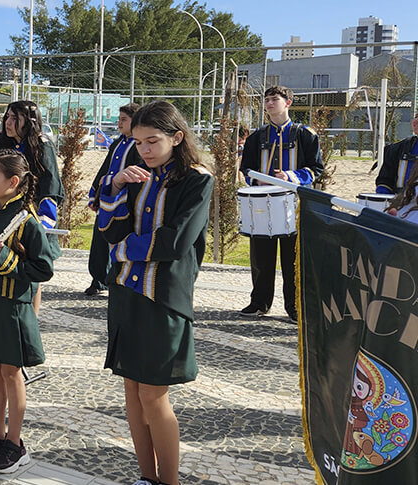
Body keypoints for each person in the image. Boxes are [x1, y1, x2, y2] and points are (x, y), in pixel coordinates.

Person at [96, 100, 213, 485]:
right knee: (131, 390)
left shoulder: (198, 179)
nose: (143, 150)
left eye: (152, 141)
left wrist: (123, 250)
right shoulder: (137, 176)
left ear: (177, 137)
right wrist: (114, 186)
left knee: (153, 396)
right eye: (138, 142)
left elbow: (175, 242)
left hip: (162, 298)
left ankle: (170, 481)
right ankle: (147, 477)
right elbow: (109, 230)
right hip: (126, 294)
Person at [0, 149, 59, 474]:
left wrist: (6, 260)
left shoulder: (27, 220)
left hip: (13, 308)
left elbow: (43, 268)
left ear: (13, 182)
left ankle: (15, 443)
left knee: (11, 373)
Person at [238, 86, 324, 321]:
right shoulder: (256, 137)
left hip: (294, 205)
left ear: (288, 103)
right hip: (262, 204)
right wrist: (258, 181)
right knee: (261, 258)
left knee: (292, 259)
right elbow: (246, 168)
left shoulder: (306, 134)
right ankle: (259, 302)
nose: (269, 103)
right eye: (266, 100)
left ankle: (295, 307)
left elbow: (317, 169)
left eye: (274, 99)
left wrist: (290, 177)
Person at [0, 101, 63, 314]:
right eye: (7, 117)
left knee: (29, 269)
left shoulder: (42, 145)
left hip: (28, 216)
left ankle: (30, 317)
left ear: (29, 121)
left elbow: (50, 183)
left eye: (15, 118)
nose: (8, 123)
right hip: (0, 213)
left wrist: (44, 219)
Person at [85, 103, 142, 296]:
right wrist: (95, 194)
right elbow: (105, 169)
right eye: (119, 119)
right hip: (106, 201)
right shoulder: (118, 143)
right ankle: (98, 279)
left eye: (123, 120)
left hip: (123, 203)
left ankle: (117, 279)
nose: (119, 123)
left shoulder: (138, 145)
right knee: (99, 241)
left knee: (118, 242)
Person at [375, 113, 418, 194]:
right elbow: (385, 180)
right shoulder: (397, 149)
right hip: (400, 202)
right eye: (416, 117)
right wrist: (384, 196)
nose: (416, 121)